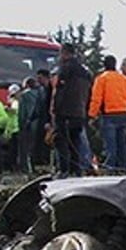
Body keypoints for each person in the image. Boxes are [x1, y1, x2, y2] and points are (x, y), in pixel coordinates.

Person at [88, 54, 126, 173]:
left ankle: (110, 172)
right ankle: (125, 170)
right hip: (123, 115)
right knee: (122, 146)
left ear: (104, 65)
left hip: (109, 115)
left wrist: (91, 115)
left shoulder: (101, 79)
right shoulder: (124, 79)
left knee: (111, 147)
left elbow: (96, 99)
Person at [51, 43, 92, 177]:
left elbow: (60, 92)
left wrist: (55, 109)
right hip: (79, 113)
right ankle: (76, 170)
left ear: (64, 53)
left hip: (65, 112)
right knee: (75, 141)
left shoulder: (65, 69)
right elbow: (88, 94)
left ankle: (64, 170)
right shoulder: (85, 72)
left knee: (60, 140)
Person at [17, 77, 40, 173]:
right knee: (34, 147)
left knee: (25, 147)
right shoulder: (41, 94)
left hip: (27, 124)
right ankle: (34, 167)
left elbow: (22, 112)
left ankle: (26, 168)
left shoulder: (24, 95)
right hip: (38, 123)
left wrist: (21, 123)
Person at [32, 69, 53, 171]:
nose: (38, 80)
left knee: (50, 143)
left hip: (49, 120)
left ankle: (48, 163)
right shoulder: (40, 90)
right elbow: (38, 106)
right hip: (41, 119)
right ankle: (40, 164)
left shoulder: (52, 89)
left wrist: (49, 121)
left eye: (40, 78)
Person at [4, 84, 21, 171]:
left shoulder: (19, 103)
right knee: (12, 150)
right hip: (12, 130)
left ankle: (17, 167)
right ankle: (12, 167)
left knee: (17, 150)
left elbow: (16, 112)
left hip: (18, 129)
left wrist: (9, 110)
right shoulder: (11, 103)